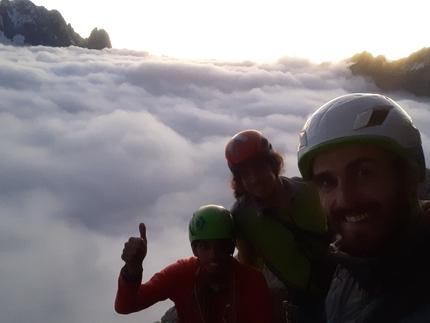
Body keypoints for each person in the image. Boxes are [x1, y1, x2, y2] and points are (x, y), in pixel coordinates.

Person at [297, 92, 430, 322]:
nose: (345, 198)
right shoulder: (350, 265)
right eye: (327, 182)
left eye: (363, 173)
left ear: (411, 174)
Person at [224, 129, 334, 322]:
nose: (254, 179)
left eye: (259, 168)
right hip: (305, 300)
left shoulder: (309, 191)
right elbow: (249, 266)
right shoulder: (243, 218)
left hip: (345, 279)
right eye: (245, 174)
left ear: (273, 165)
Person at [115, 204, 275, 323]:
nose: (213, 255)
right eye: (205, 246)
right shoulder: (181, 274)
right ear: (194, 249)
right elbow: (126, 306)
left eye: (222, 245)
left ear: (232, 246)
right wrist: (133, 269)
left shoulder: (252, 281)